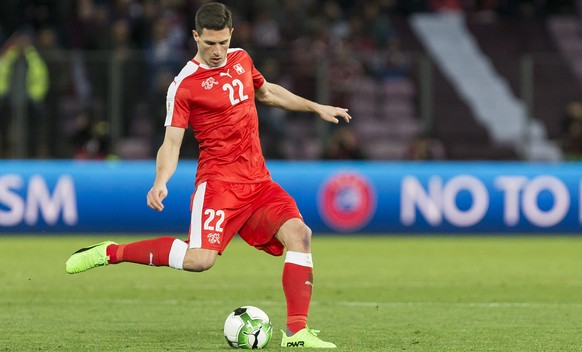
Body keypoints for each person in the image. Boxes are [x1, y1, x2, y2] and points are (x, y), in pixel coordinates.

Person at [65, 2, 351, 349]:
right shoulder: (184, 85)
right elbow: (171, 143)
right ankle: (111, 252)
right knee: (199, 261)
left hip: (258, 182)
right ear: (195, 36)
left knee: (300, 235)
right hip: (219, 185)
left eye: (222, 43)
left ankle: (296, 333)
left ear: (231, 35)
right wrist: (161, 180)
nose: (217, 52)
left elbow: (267, 92)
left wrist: (315, 106)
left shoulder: (242, 58)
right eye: (208, 44)